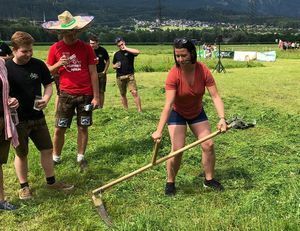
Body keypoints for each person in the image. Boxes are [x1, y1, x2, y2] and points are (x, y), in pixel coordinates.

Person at [151, 38, 227, 196]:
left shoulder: (203, 70)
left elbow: (215, 96)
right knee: (177, 150)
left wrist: (222, 118)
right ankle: (170, 181)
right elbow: (168, 105)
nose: (180, 59)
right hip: (177, 113)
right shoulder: (173, 74)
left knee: (208, 144)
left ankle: (208, 179)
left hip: (196, 112)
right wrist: (159, 130)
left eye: (183, 55)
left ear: (192, 53)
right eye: (177, 56)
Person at [6, 31, 74, 200]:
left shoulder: (38, 65)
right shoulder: (5, 68)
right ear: (14, 50)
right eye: (24, 51)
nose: (28, 54)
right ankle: (24, 187)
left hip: (38, 117)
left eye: (30, 50)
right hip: (17, 119)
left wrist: (46, 98)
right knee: (21, 154)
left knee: (47, 149)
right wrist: (7, 99)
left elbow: (49, 84)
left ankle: (51, 182)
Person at [43, 11, 100, 169]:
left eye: (74, 30)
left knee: (83, 126)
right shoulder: (55, 49)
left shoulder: (87, 48)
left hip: (86, 95)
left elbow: (93, 73)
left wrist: (96, 96)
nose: (72, 34)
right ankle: (56, 157)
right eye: (68, 31)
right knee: (60, 127)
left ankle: (81, 158)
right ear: (61, 32)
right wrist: (59, 64)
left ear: (77, 30)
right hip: (65, 95)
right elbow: (49, 71)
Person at [0, 58, 19, 210]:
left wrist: (11, 100)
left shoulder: (1, 64)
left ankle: (1, 200)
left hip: (2, 119)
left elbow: (4, 91)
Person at [112, 37, 142, 112]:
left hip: (129, 76)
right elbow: (113, 64)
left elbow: (137, 52)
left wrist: (126, 48)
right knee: (123, 94)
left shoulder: (130, 52)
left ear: (124, 43)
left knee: (134, 92)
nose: (121, 46)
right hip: (120, 77)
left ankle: (139, 110)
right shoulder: (116, 54)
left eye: (122, 44)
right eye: (119, 45)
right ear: (117, 46)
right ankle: (126, 111)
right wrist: (115, 66)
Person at [89, 35, 110, 108]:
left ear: (97, 43)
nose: (91, 45)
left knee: (101, 91)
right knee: (91, 91)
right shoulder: (88, 50)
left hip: (101, 73)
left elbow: (107, 60)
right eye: (90, 43)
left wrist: (104, 71)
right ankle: (92, 106)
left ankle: (100, 107)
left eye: (93, 43)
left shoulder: (103, 50)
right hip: (91, 74)